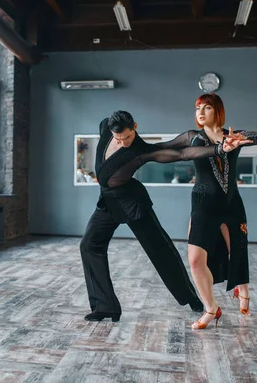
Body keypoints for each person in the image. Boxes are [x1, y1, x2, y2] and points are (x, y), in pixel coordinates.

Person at [80, 110, 245, 322]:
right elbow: (110, 133)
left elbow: (182, 153)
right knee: (88, 245)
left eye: (127, 137)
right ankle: (106, 307)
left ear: (135, 127)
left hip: (133, 203)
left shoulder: (140, 150)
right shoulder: (106, 127)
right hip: (107, 202)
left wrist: (218, 148)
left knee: (160, 250)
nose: (123, 143)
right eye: (119, 138)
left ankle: (191, 297)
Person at [155, 94, 257, 329]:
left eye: (206, 107)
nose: (200, 112)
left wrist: (240, 138)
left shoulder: (231, 135)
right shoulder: (194, 137)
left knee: (237, 250)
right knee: (195, 260)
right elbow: (164, 148)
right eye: (197, 108)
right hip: (203, 204)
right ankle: (211, 308)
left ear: (218, 111)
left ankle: (243, 289)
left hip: (232, 203)